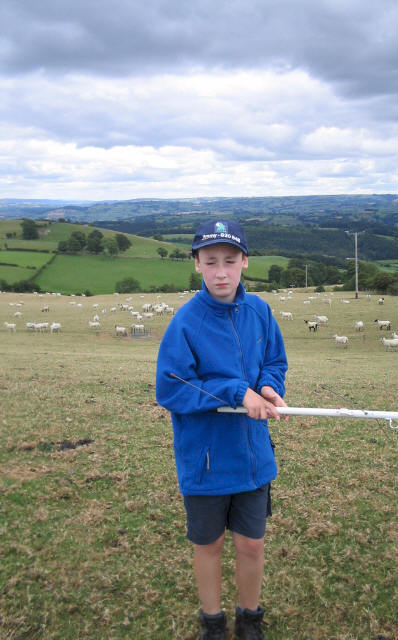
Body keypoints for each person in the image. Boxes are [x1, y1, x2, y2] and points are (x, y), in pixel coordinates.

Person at [156, 219, 288, 639]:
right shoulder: (185, 322)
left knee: (251, 543)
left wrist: (268, 385)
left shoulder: (260, 312)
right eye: (210, 261)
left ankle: (249, 617)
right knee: (208, 545)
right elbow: (171, 386)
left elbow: (274, 361)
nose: (221, 272)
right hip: (205, 460)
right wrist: (236, 392)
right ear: (197, 264)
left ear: (244, 262)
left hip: (252, 455)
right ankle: (212, 621)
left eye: (230, 261)